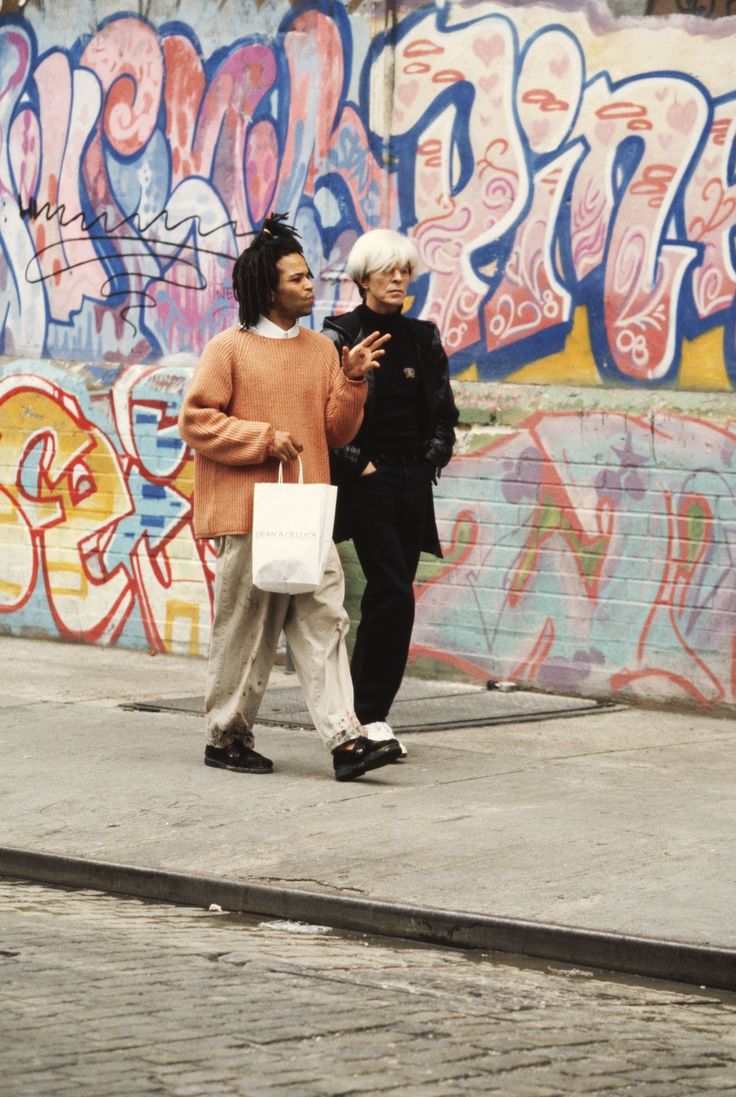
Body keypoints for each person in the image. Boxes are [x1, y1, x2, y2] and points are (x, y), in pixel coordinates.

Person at [178, 213, 402, 781]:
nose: (310, 286)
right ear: (267, 288)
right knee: (246, 631)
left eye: (308, 277)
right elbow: (196, 421)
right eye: (297, 278)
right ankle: (227, 736)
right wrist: (261, 438)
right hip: (250, 516)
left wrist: (351, 381)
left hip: (307, 512)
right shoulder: (228, 349)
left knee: (324, 621)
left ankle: (346, 741)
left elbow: (336, 433)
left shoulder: (322, 350)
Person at [323, 229, 458, 757]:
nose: (399, 278)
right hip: (367, 481)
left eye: (405, 270)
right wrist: (361, 466)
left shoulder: (422, 338)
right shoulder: (339, 336)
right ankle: (369, 715)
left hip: (412, 479)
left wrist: (429, 460)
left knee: (392, 597)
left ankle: (364, 715)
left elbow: (444, 413)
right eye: (387, 270)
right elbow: (325, 417)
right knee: (392, 593)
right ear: (363, 279)